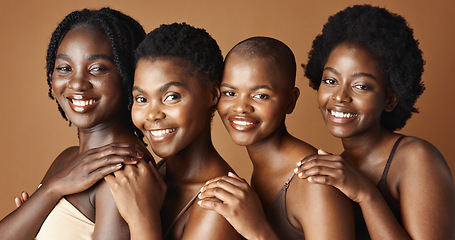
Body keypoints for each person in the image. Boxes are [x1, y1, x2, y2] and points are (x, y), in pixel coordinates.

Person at [294, 4, 455, 239]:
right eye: (330, 81)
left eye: (361, 86)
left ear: (390, 100)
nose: (339, 96)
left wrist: (365, 193)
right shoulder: (339, 167)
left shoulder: (416, 158)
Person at [0, 8, 154, 240]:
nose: (77, 84)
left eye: (97, 69)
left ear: (129, 75)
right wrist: (52, 189)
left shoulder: (123, 173)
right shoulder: (68, 160)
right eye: (64, 68)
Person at [197, 36, 355, 239]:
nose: (240, 108)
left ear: (290, 101)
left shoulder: (315, 181)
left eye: (260, 95)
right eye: (229, 93)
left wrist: (258, 231)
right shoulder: (262, 171)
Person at [104, 22, 243, 240]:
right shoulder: (149, 175)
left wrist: (142, 218)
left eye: (171, 97)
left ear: (213, 94)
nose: (152, 115)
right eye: (141, 99)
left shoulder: (218, 205)